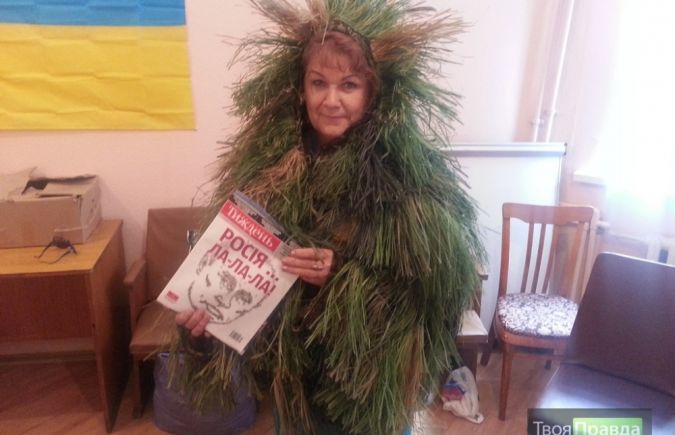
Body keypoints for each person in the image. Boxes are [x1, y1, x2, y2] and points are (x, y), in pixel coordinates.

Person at [169, 1, 483, 434]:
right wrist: (206, 325)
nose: (331, 100)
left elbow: (437, 296)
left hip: (370, 391)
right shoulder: (266, 171)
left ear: (372, 92)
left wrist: (340, 277)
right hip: (296, 388)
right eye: (318, 82)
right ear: (301, 88)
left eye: (348, 85)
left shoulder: (409, 179)